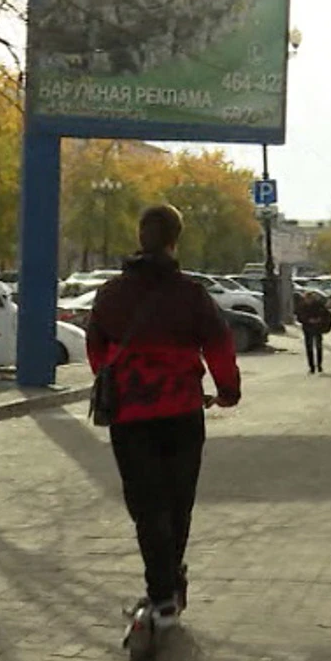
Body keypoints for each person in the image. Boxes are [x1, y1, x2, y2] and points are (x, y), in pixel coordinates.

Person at [86, 205, 242, 630]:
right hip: (181, 411)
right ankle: (169, 587)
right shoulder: (190, 294)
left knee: (147, 506)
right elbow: (219, 347)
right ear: (175, 240)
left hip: (130, 414)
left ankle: (162, 594)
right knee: (177, 502)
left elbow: (97, 353)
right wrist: (227, 392)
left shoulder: (111, 294)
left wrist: (123, 379)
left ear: (141, 237)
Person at [297, 290, 331, 374]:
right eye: (307, 298)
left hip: (318, 328)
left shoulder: (318, 305)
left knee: (318, 347)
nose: (308, 300)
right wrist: (307, 320)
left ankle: (319, 365)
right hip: (307, 328)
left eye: (310, 298)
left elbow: (326, 315)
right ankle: (311, 367)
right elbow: (299, 317)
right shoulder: (302, 306)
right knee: (309, 347)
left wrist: (319, 320)